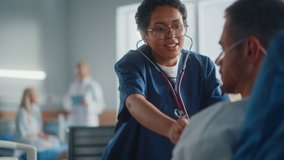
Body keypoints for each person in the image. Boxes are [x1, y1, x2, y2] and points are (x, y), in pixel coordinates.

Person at [101, 0, 228, 159]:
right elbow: (134, 102)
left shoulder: (202, 66)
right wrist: (172, 129)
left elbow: (221, 111)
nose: (171, 35)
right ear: (144, 35)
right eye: (160, 29)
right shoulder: (132, 63)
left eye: (177, 26)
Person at [172, 0, 284, 159]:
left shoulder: (210, 132)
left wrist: (193, 131)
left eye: (223, 49)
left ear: (250, 50)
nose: (218, 60)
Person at [15, 88, 60, 152]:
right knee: (40, 143)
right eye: (35, 95)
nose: (37, 96)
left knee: (55, 140)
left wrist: (43, 136)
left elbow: (39, 128)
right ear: (28, 97)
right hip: (25, 139)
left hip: (36, 137)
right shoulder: (22, 111)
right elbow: (23, 133)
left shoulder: (36, 109)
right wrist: (37, 137)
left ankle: (48, 147)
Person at [64, 60, 105, 126]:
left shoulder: (93, 86)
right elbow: (66, 103)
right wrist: (72, 103)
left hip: (89, 122)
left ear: (87, 71)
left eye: (81, 71)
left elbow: (101, 106)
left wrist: (89, 103)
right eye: (77, 71)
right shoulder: (72, 86)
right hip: (75, 121)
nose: (79, 73)